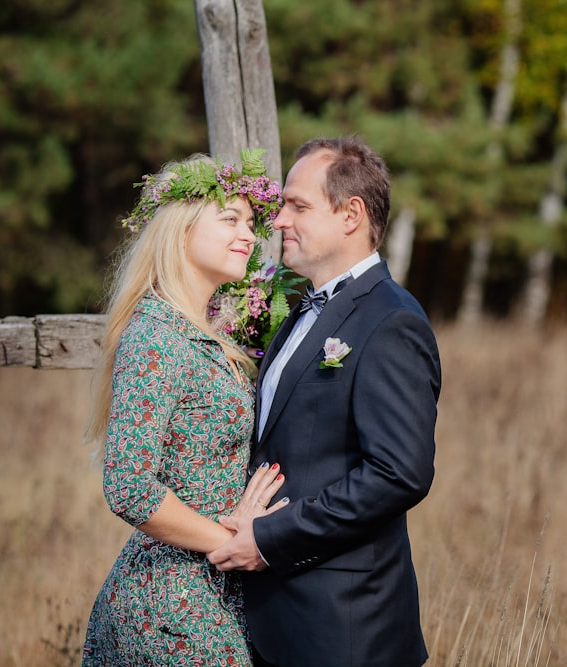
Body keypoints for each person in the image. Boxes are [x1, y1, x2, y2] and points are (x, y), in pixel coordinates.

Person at [208, 136, 442, 667]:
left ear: (351, 214)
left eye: (298, 205)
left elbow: (398, 473)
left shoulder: (390, 320)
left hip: (344, 626)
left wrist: (269, 539)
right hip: (274, 618)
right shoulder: (299, 308)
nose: (280, 220)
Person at [82, 152, 290, 665]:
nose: (248, 234)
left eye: (250, 222)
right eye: (229, 219)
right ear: (180, 233)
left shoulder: (203, 333)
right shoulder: (156, 335)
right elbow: (129, 486)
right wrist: (233, 538)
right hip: (170, 603)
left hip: (211, 590)